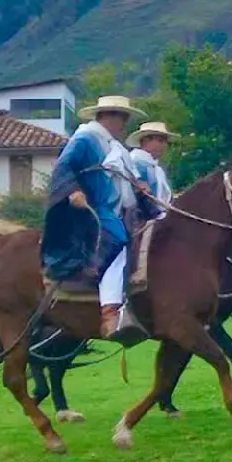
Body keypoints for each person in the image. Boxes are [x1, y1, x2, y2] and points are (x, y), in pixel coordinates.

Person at [42, 95, 145, 340]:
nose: (125, 123)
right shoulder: (86, 138)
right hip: (96, 209)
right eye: (123, 117)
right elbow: (63, 166)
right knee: (119, 239)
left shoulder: (114, 146)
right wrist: (73, 191)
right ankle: (109, 308)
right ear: (108, 116)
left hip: (118, 210)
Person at [112, 121, 176, 301]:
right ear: (146, 140)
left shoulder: (154, 166)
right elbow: (141, 195)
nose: (164, 145)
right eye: (160, 140)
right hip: (140, 216)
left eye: (165, 141)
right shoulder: (137, 162)